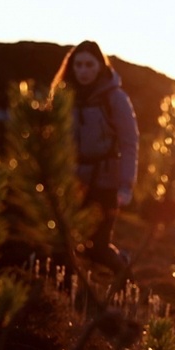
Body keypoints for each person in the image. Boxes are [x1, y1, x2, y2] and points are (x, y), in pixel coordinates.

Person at [49, 40, 140, 272]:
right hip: (72, 182)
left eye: (89, 65)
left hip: (105, 182)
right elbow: (54, 140)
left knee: (98, 248)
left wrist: (126, 186)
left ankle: (124, 280)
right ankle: (68, 300)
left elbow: (130, 143)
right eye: (78, 65)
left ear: (100, 66)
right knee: (63, 245)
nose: (83, 71)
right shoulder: (63, 97)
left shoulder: (115, 99)